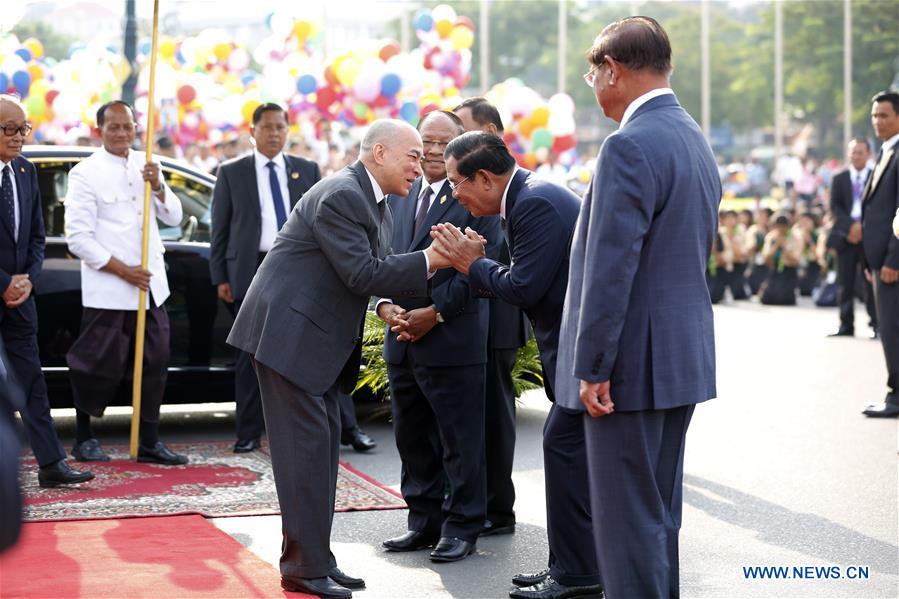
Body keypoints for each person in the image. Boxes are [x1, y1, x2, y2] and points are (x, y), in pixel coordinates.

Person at [226, 119, 450, 599]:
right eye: (413, 155)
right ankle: (302, 568)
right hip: (290, 340)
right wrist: (434, 259)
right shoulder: (344, 194)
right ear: (380, 153)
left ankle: (317, 560)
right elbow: (362, 271)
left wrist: (385, 305)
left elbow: (367, 274)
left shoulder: (375, 199)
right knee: (304, 460)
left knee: (321, 457)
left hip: (314, 342)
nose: (420, 165)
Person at [554, 17, 720, 597]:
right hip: (677, 356)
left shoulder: (628, 144)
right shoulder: (692, 135)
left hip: (628, 365)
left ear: (613, 70)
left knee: (627, 526)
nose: (593, 87)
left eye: (591, 75)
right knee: (657, 517)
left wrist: (594, 365)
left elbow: (611, 267)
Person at [430, 132, 603, 599]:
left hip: (580, 350)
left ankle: (577, 574)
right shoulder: (527, 197)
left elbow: (523, 287)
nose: (454, 195)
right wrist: (478, 264)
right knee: (568, 455)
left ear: (485, 178)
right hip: (571, 347)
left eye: (456, 183)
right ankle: (569, 566)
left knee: (565, 451)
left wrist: (472, 264)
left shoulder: (534, 203)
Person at [380, 111, 501, 563]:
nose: (432, 151)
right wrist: (386, 306)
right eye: (426, 141)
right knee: (412, 438)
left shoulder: (476, 197)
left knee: (460, 442)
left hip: (453, 337)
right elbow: (381, 257)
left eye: (442, 142)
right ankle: (423, 520)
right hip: (401, 336)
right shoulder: (402, 192)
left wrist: (435, 313)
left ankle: (463, 526)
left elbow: (479, 270)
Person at [65, 100, 187, 466]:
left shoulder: (147, 163)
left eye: (127, 126)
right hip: (110, 289)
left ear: (136, 129)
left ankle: (149, 440)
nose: (121, 133)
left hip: (151, 289)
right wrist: (122, 270)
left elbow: (175, 217)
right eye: (113, 126)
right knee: (95, 365)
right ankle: (84, 437)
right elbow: (78, 239)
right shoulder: (85, 173)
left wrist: (159, 185)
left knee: (155, 362)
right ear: (100, 130)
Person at [210, 103, 322, 453]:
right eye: (267, 127)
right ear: (252, 132)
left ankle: (327, 429)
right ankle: (248, 432)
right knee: (250, 353)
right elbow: (219, 229)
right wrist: (220, 276)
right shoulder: (232, 172)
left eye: (280, 127)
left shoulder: (306, 169)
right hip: (250, 269)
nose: (274, 133)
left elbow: (323, 222)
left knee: (305, 350)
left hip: (299, 268)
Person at [0, 94, 93, 488]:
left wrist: (27, 280)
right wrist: (4, 283)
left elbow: (37, 236)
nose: (18, 136)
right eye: (9, 129)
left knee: (32, 381)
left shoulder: (24, 170)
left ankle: (51, 463)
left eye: (23, 128)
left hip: (21, 300)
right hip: (6, 288)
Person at [454, 97, 531, 538]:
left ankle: (498, 508)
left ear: (489, 134)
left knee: (495, 415)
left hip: (499, 313)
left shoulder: (517, 192)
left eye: (462, 131)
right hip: (466, 312)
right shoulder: (463, 182)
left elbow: (506, 259)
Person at [861, 91, 899, 418]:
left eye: (884, 115)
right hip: (879, 260)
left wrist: (892, 260)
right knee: (889, 328)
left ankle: (896, 396)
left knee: (893, 329)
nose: (877, 121)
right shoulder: (886, 151)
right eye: (874, 115)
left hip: (892, 263)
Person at [827, 137, 878, 338]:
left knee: (870, 283)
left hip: (869, 236)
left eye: (860, 152)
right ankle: (846, 325)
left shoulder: (876, 175)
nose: (856, 156)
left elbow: (880, 206)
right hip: (846, 237)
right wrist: (851, 227)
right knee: (845, 283)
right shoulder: (839, 178)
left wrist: (863, 227)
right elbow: (835, 207)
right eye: (853, 152)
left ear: (868, 154)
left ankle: (876, 324)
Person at [759, 213, 803, 305]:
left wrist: (784, 247)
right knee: (767, 299)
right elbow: (766, 258)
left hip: (789, 271)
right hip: (774, 270)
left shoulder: (796, 237)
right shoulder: (771, 236)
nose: (780, 229)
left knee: (784, 299)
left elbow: (796, 259)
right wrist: (776, 245)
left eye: (783, 226)